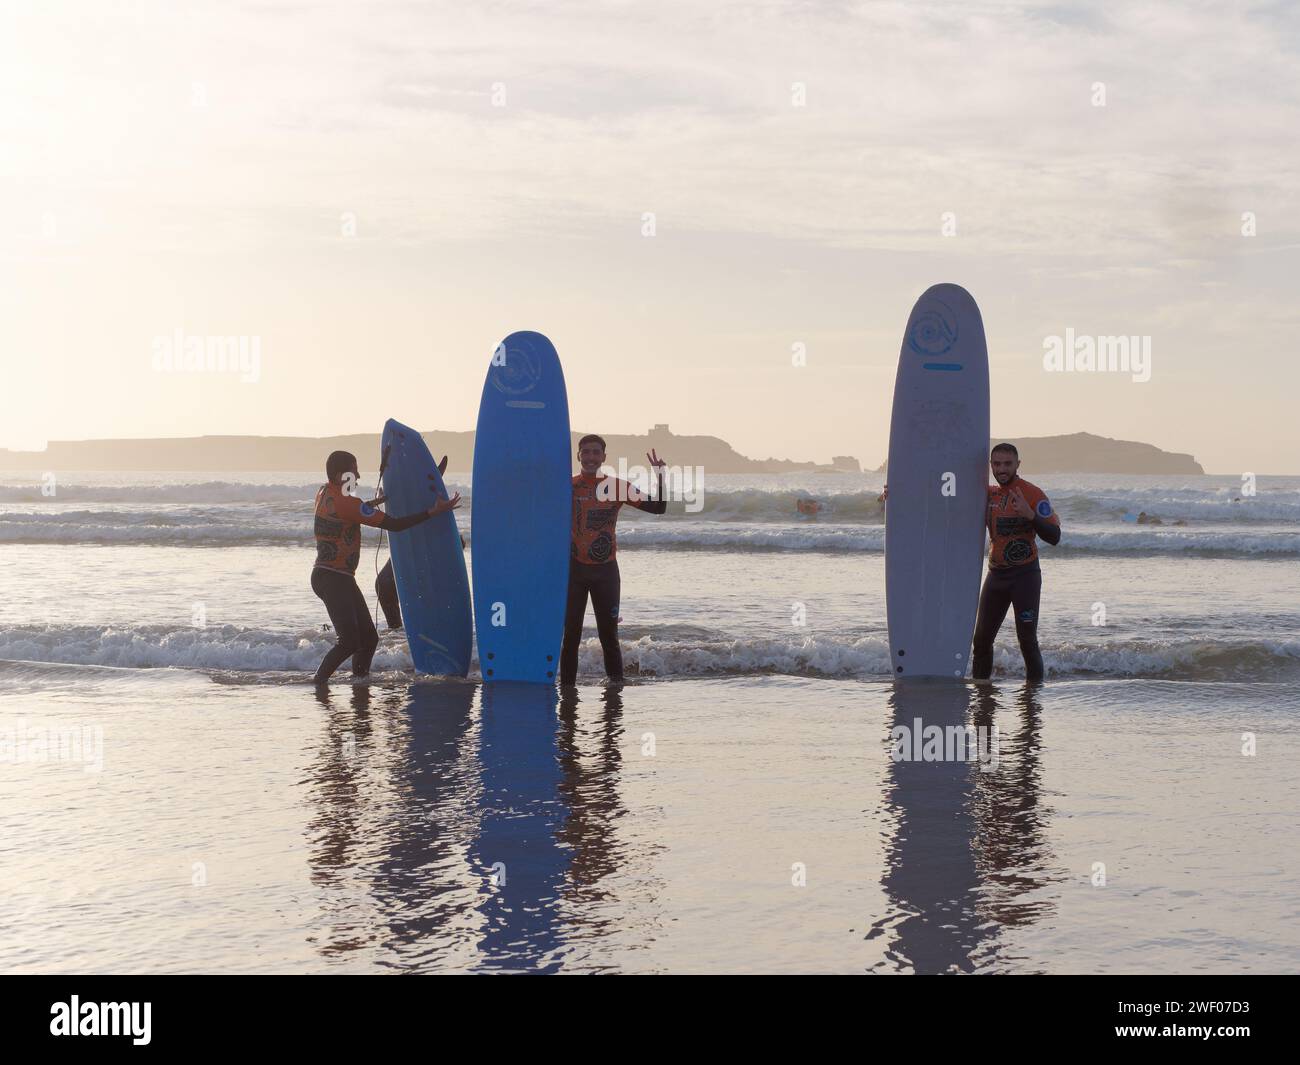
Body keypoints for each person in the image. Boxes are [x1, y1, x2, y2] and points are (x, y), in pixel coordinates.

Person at [311, 449, 460, 684]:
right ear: (342, 475)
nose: (358, 475)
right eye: (354, 470)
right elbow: (395, 525)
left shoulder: (324, 492)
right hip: (333, 579)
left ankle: (360, 683)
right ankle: (317, 684)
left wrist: (375, 502)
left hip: (335, 578)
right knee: (349, 640)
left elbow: (349, 510)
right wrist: (433, 511)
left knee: (369, 638)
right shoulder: (346, 502)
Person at [559, 435, 668, 686]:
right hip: (573, 571)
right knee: (570, 637)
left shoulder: (617, 486)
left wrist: (660, 476)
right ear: (578, 456)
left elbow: (658, 508)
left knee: (609, 636)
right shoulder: (567, 486)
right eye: (585, 452)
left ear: (604, 458)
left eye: (596, 452)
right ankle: (566, 690)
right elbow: (537, 509)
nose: (590, 457)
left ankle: (615, 686)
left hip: (606, 572)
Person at [971, 443, 1061, 682]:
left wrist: (1030, 515)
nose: (1002, 469)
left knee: (1027, 641)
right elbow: (943, 499)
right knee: (980, 641)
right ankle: (982, 693)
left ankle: (1033, 699)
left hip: (1025, 577)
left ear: (1017, 465)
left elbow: (1054, 537)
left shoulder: (1032, 494)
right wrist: (895, 494)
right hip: (996, 577)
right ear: (990, 466)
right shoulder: (987, 493)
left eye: (1007, 464)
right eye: (997, 464)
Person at [374, 454, 455, 630]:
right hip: (406, 546)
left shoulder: (423, 482)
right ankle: (399, 636)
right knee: (384, 585)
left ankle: (428, 634)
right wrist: (382, 499)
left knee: (389, 585)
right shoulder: (396, 483)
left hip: (427, 548)